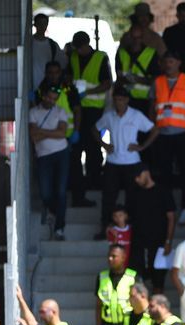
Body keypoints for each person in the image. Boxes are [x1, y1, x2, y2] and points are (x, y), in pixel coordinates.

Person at [96, 85, 158, 236]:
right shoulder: (109, 116)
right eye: (117, 99)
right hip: (113, 162)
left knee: (133, 197)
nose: (119, 102)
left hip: (132, 162)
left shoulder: (136, 115)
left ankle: (132, 229)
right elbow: (95, 129)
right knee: (108, 197)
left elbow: (155, 130)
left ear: (127, 100)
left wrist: (142, 146)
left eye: (122, 99)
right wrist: (104, 144)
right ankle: (106, 229)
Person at [151, 50, 185, 211]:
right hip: (163, 134)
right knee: (164, 173)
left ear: (178, 63)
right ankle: (167, 206)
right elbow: (151, 107)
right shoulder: (157, 82)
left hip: (182, 134)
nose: (168, 65)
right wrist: (154, 127)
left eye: (171, 61)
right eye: (166, 61)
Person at [66, 31, 111, 206]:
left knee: (93, 146)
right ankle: (79, 183)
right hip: (77, 108)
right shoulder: (74, 57)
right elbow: (69, 77)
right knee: (77, 148)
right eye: (76, 48)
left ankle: (94, 180)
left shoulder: (100, 58)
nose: (79, 51)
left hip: (94, 109)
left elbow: (107, 83)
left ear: (87, 44)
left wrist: (88, 93)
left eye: (81, 47)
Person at [30, 83, 71, 239]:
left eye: (54, 99)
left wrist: (41, 132)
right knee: (45, 193)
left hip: (62, 154)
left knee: (61, 191)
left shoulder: (61, 111)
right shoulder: (33, 112)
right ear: (43, 96)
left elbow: (62, 133)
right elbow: (33, 136)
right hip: (43, 156)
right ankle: (54, 211)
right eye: (49, 97)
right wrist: (53, 132)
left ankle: (59, 227)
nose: (51, 101)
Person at [127, 165, 176, 293]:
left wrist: (168, 241)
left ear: (146, 173)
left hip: (159, 242)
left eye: (138, 176)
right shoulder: (134, 193)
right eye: (135, 178)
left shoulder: (163, 191)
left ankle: (158, 307)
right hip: (138, 242)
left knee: (158, 279)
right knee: (136, 277)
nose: (137, 180)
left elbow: (171, 217)